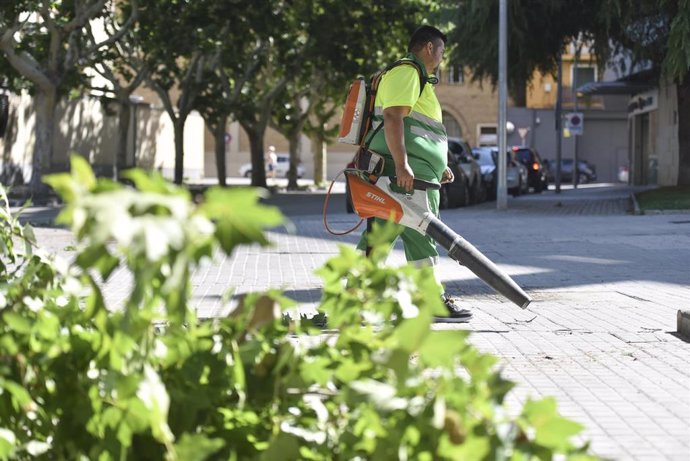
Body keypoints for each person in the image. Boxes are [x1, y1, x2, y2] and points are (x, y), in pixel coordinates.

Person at [356, 25, 471, 322]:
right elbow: (393, 118)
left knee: (387, 239)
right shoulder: (408, 72)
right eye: (443, 51)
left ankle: (353, 300)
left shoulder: (418, 80)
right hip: (405, 178)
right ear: (429, 48)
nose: (443, 58)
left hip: (411, 176)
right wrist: (405, 164)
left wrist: (437, 165)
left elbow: (418, 130)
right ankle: (429, 302)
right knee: (416, 236)